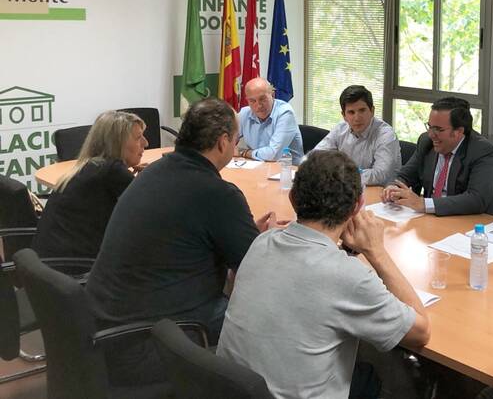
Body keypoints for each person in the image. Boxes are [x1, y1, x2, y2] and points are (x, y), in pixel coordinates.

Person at [86, 98, 278, 386]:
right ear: (223, 142)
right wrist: (269, 243)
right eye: (236, 140)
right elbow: (259, 272)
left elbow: (185, 235)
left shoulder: (152, 172)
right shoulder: (218, 194)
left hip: (105, 329)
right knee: (274, 316)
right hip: (150, 342)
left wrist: (242, 232)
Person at [216, 150, 430, 399]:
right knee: (379, 376)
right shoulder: (349, 277)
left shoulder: (263, 241)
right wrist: (377, 252)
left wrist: (346, 250)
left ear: (293, 198)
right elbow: (420, 332)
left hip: (232, 390)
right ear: (357, 206)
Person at [32, 111, 148, 258]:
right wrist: (147, 178)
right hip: (73, 265)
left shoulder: (91, 166)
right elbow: (151, 210)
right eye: (138, 138)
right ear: (118, 142)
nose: (146, 143)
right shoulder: (112, 171)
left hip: (48, 261)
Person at [381, 97, 493, 217]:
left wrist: (424, 204)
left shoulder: (481, 150)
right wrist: (393, 188)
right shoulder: (426, 142)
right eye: (430, 127)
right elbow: (404, 175)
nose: (431, 134)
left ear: (458, 131)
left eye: (438, 129)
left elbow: (476, 199)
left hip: (481, 222)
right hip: (434, 218)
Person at [314, 85, 401, 186]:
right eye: (351, 112)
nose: (357, 118)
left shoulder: (386, 135)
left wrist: (340, 174)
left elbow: (380, 175)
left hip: (382, 192)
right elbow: (315, 156)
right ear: (344, 116)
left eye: (362, 110)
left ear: (372, 111)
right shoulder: (340, 129)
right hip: (347, 188)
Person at [237, 77, 303, 164]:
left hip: (288, 169)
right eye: (252, 101)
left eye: (262, 99)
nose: (258, 105)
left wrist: (244, 152)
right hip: (259, 166)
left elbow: (274, 154)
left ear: (272, 95)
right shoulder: (244, 113)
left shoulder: (285, 113)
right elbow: (227, 140)